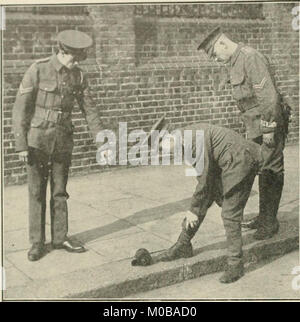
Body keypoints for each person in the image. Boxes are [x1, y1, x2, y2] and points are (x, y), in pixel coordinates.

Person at [12, 30, 103, 261]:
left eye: (77, 60)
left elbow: (89, 108)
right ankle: (37, 243)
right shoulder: (38, 69)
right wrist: (21, 145)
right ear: (62, 52)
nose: (75, 63)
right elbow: (20, 110)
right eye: (73, 58)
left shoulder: (79, 76)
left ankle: (60, 237)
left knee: (60, 192)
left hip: (63, 141)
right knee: (36, 193)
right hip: (37, 142)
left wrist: (100, 136)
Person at [197, 27, 290, 240]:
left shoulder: (251, 57)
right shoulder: (235, 61)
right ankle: (264, 216)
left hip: (268, 123)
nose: (214, 59)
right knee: (262, 169)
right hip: (254, 125)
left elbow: (270, 99)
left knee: (271, 169)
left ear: (222, 42)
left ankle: (270, 223)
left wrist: (268, 129)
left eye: (213, 53)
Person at [157, 122, 263, 283]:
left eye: (172, 150)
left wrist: (193, 209)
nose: (174, 154)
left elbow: (204, 179)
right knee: (204, 199)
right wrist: (197, 206)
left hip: (241, 160)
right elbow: (204, 180)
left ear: (172, 138)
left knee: (229, 214)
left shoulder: (192, 141)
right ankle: (183, 244)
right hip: (230, 160)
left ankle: (236, 264)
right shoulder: (184, 139)